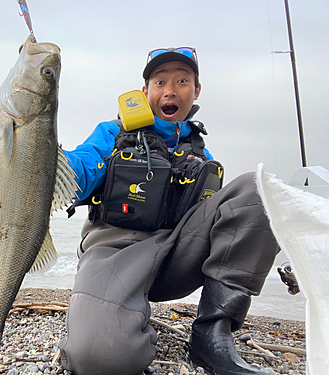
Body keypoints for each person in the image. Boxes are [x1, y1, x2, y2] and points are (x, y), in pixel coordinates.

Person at [58, 47, 280, 375]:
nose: (170, 90)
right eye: (160, 81)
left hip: (177, 257)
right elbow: (81, 169)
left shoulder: (200, 151)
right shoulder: (113, 132)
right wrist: (52, 161)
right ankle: (120, 315)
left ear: (196, 90)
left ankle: (212, 333)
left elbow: (227, 221)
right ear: (145, 90)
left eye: (182, 81)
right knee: (98, 358)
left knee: (260, 189)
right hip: (116, 252)